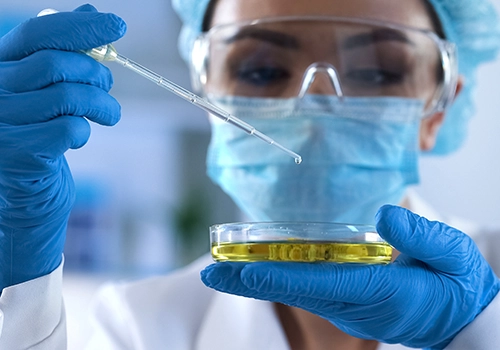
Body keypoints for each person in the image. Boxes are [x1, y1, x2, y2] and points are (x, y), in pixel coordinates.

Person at [0, 0, 499, 349]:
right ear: (207, 100)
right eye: (260, 71)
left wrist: (477, 333)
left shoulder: (488, 290)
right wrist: (22, 288)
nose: (313, 109)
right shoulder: (142, 325)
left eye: (377, 72)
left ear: (440, 109)